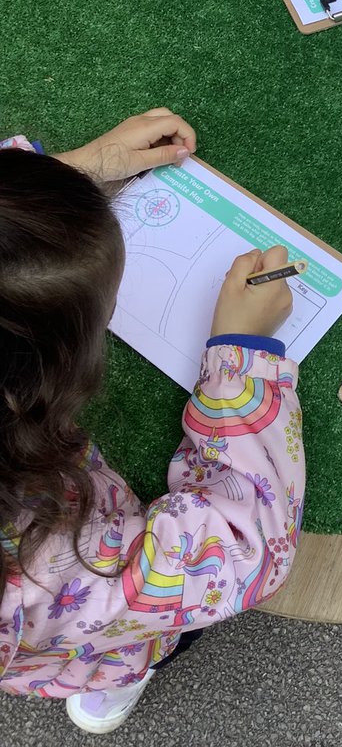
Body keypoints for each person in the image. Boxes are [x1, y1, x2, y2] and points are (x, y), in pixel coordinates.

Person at [0, 111, 304, 732]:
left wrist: (65, 187)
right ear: (45, 379)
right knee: (122, 644)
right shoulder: (38, 566)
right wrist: (241, 351)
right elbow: (241, 545)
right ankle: (112, 684)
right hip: (73, 632)